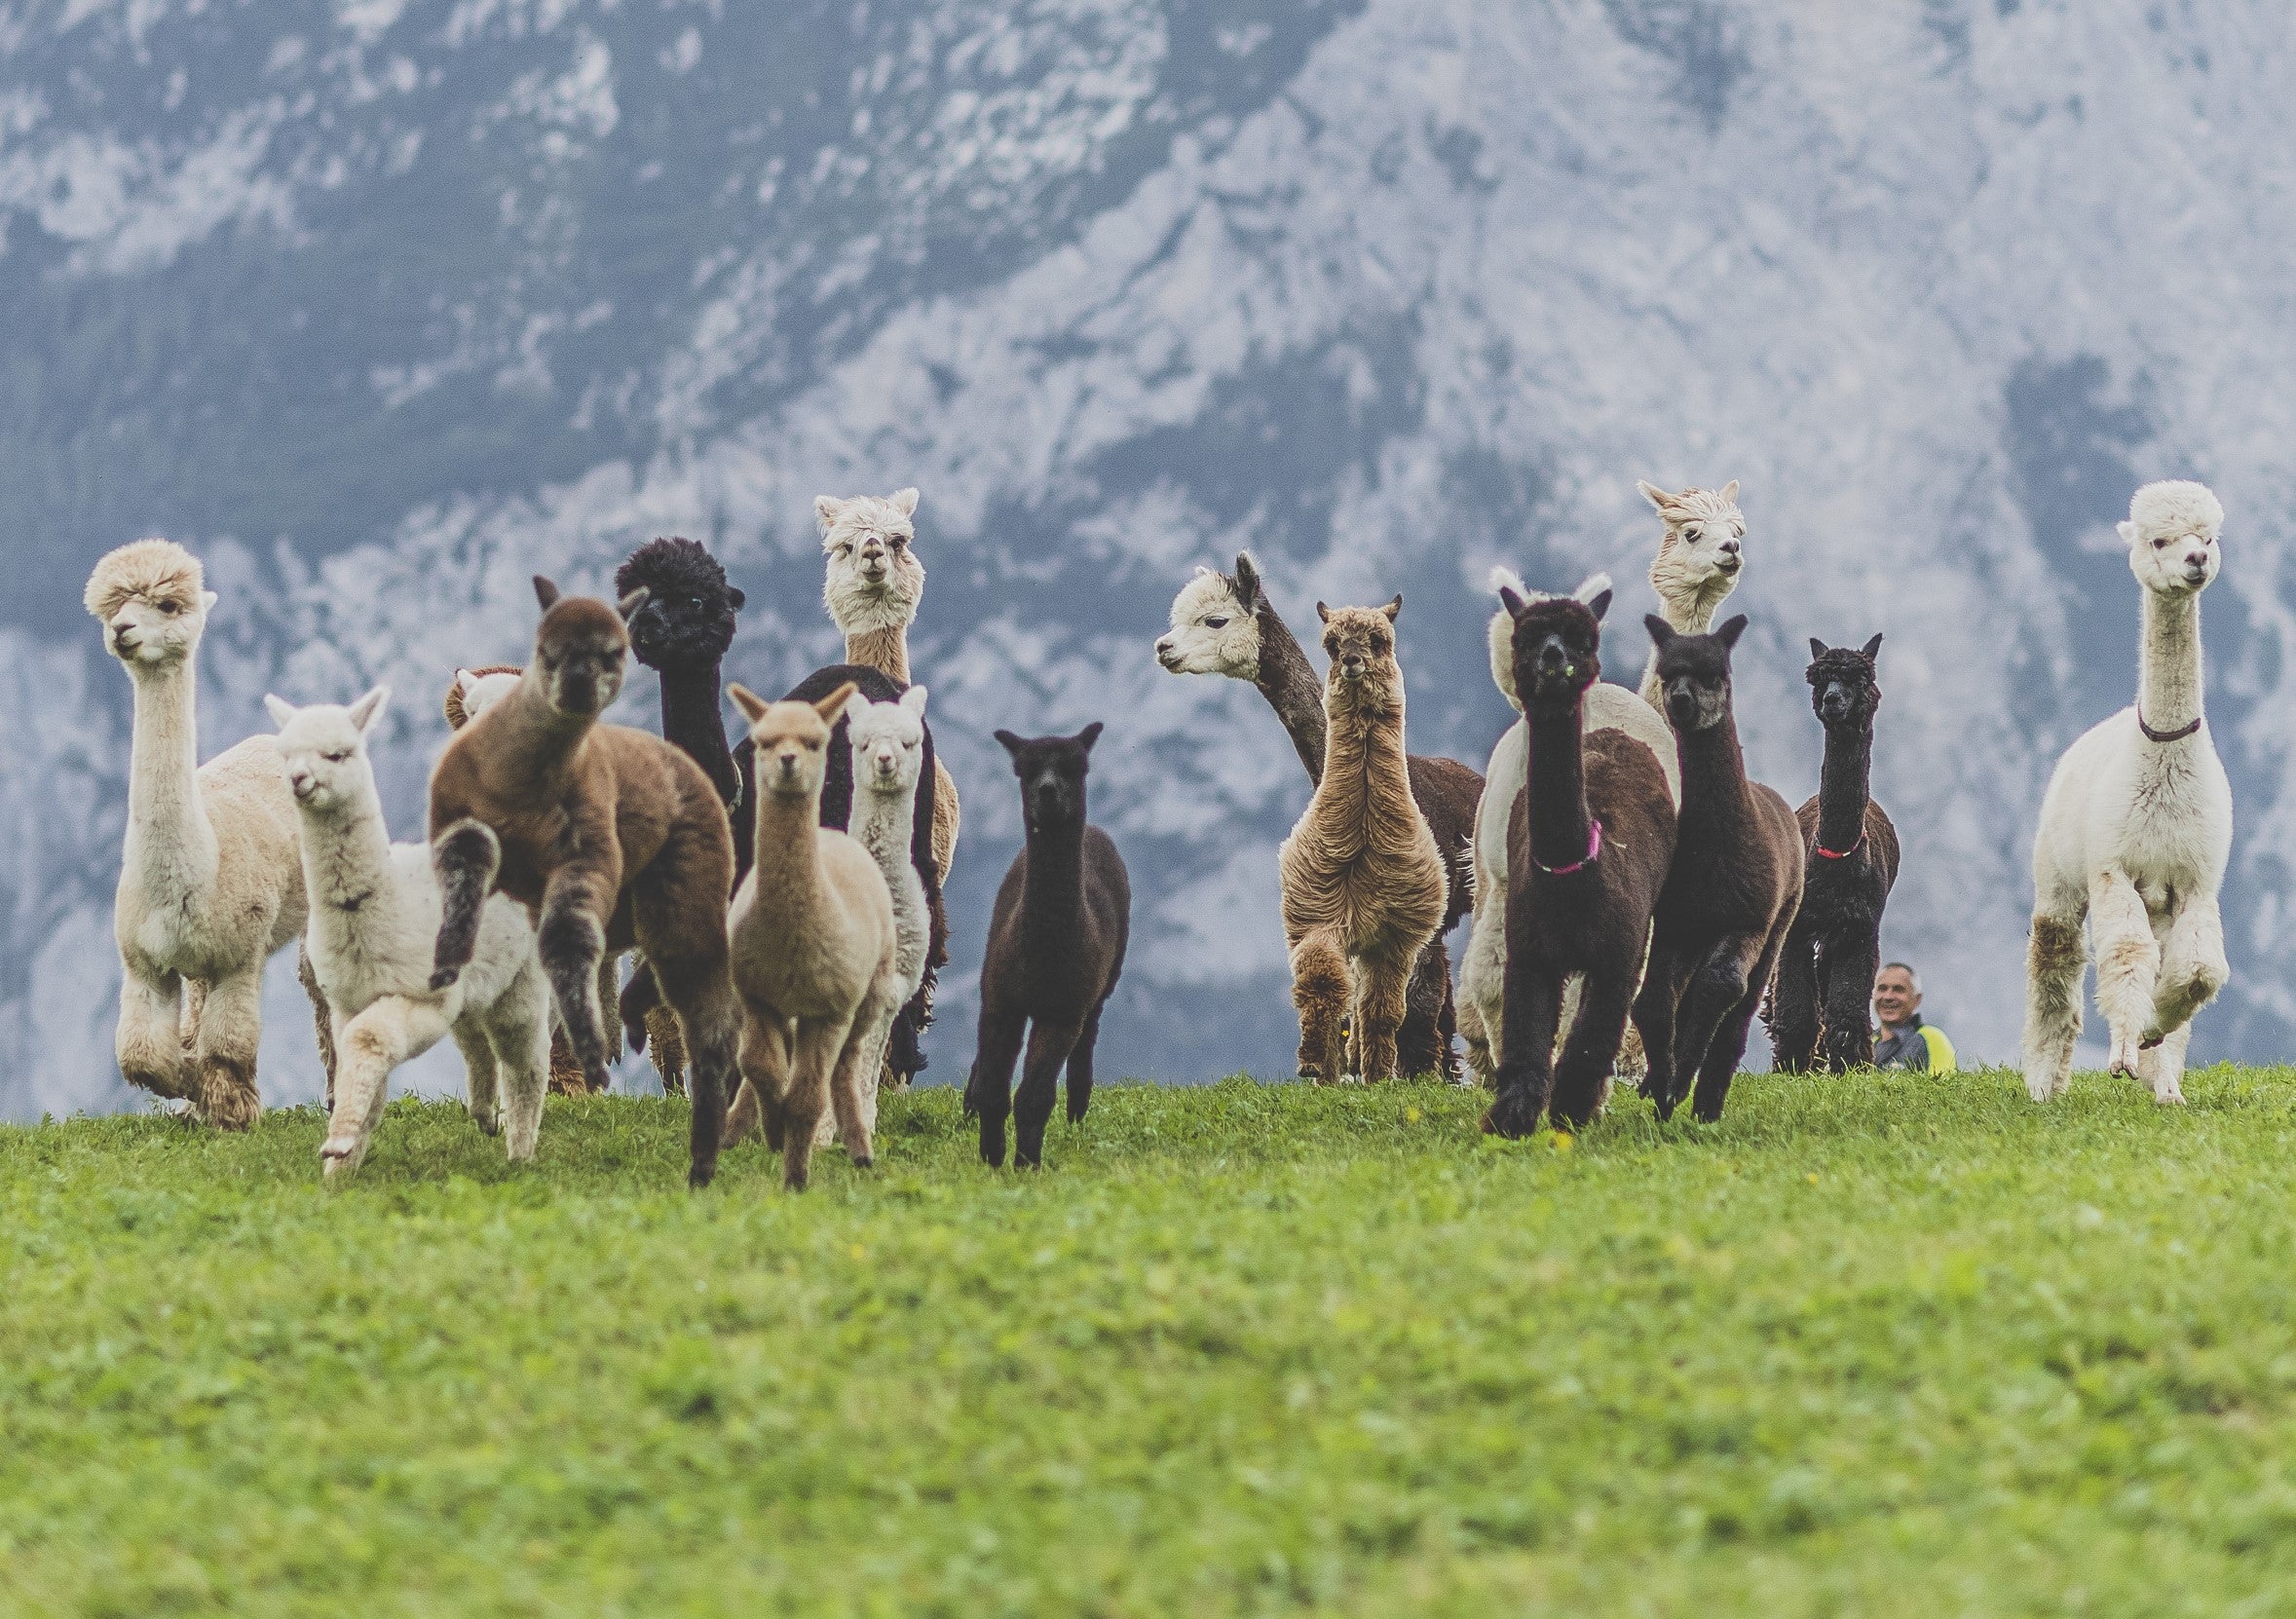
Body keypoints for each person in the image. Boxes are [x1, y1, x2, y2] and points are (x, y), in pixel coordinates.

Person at [1872, 961, 1956, 1072]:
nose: (1888, 996)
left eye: (1898, 989)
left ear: (1917, 999)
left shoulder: (1932, 1039)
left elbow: (1944, 1085)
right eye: (1882, 989)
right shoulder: (1866, 1042)